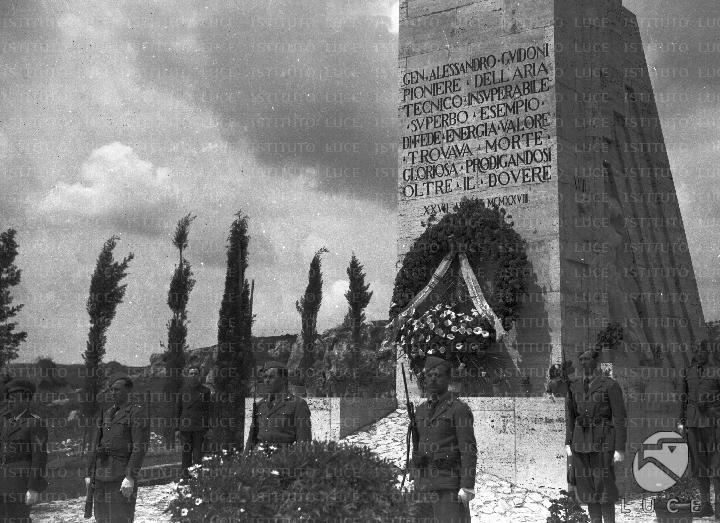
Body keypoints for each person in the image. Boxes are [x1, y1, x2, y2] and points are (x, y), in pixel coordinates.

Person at [411, 356, 477, 523]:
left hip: (448, 486)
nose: (433, 379)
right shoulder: (420, 411)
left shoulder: (458, 409)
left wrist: (467, 485)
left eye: (438, 375)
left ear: (448, 379)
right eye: (429, 375)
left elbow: (468, 450)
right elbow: (416, 446)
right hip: (423, 485)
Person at [565, 349, 627, 523]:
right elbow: (570, 415)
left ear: (595, 361)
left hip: (603, 440)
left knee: (604, 484)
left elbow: (620, 417)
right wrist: (568, 442)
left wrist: (619, 448)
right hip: (580, 442)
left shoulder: (609, 385)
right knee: (587, 487)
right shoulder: (574, 385)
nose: (583, 362)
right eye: (581, 359)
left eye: (587, 359)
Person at [86, 375, 149, 523]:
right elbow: (95, 444)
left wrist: (130, 476)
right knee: (101, 517)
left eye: (117, 390)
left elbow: (139, 447)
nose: (113, 393)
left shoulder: (136, 413)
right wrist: (89, 473)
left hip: (120, 474)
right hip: (101, 473)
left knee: (119, 517)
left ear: (128, 391)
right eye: (111, 390)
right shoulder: (107, 413)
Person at [678, 340, 720, 518]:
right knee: (698, 465)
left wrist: (711, 402)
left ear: (708, 352)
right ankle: (705, 505)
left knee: (717, 465)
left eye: (701, 351)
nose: (698, 354)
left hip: (714, 422)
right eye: (695, 351)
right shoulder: (688, 372)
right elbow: (683, 397)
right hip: (694, 423)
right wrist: (681, 421)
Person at [0, 379, 48, 523]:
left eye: (14, 399)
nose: (10, 402)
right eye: (8, 399)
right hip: (3, 481)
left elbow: (39, 458)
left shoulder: (34, 423)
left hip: (20, 483)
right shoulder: (5, 422)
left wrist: (33, 487)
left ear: (26, 400)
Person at [246, 361, 311, 449]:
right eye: (265, 377)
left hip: (283, 458)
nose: (267, 381)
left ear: (284, 379)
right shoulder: (259, 405)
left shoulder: (298, 404)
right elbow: (251, 439)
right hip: (260, 459)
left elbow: (304, 440)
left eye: (271, 377)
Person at [174, 366, 213, 478]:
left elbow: (208, 410)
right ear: (188, 375)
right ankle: (185, 477)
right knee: (185, 454)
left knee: (197, 455)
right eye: (191, 373)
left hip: (199, 427)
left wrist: (208, 427)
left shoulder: (205, 391)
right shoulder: (182, 391)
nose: (193, 375)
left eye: (195, 373)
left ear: (199, 375)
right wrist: (177, 429)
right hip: (185, 428)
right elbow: (178, 410)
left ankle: (197, 478)